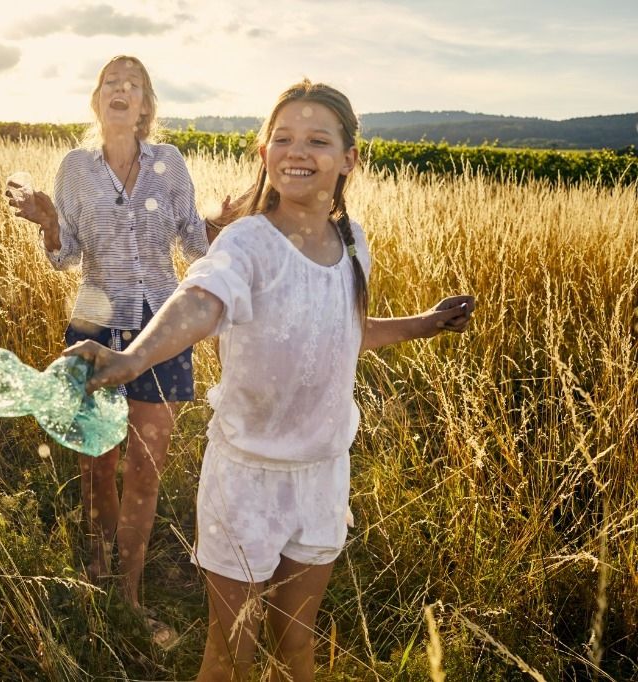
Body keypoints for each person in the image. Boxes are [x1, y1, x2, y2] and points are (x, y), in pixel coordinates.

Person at [66, 80, 475, 681]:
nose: (297, 151)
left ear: (348, 159)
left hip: (322, 474)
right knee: (231, 654)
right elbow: (201, 300)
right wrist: (134, 359)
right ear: (264, 155)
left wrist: (423, 324)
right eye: (281, 138)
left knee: (298, 650)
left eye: (317, 139)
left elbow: (345, 330)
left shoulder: (352, 242)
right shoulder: (248, 241)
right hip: (246, 478)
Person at [8, 56, 227, 619]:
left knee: (146, 469)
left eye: (134, 84)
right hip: (95, 327)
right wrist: (48, 221)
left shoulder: (170, 164)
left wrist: (222, 224)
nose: (122, 89)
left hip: (160, 328)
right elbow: (65, 257)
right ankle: (97, 571)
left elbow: (193, 243)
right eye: (112, 82)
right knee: (96, 463)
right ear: (97, 98)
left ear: (147, 105)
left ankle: (127, 594)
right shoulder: (75, 168)